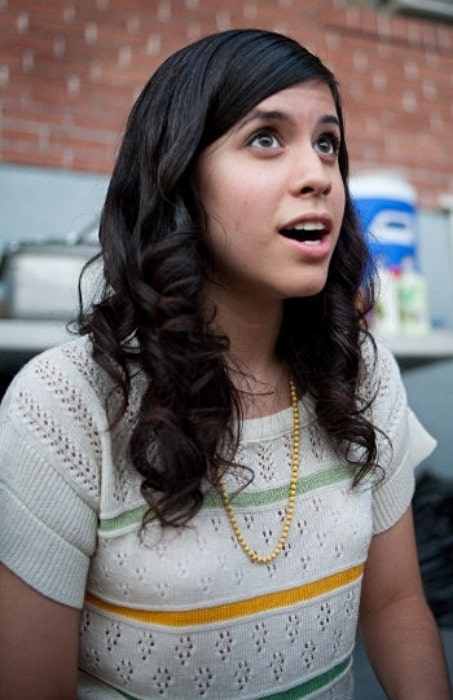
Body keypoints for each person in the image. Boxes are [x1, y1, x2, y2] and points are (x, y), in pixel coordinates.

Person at [0, 28, 451, 700]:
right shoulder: (65, 404)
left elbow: (391, 606)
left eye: (327, 143)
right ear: (179, 176)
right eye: (265, 137)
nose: (317, 175)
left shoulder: (360, 370)